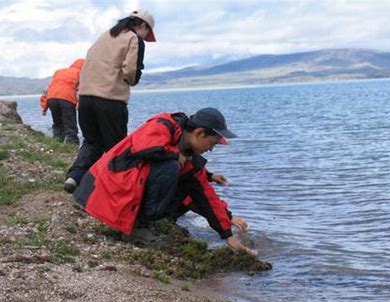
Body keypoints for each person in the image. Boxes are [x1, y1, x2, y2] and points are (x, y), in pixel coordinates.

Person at [73, 107, 257, 255]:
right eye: (213, 143)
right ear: (200, 133)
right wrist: (174, 154)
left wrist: (227, 235)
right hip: (102, 191)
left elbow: (205, 195)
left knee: (191, 187)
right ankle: (138, 229)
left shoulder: (189, 157)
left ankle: (142, 225)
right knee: (170, 167)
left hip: (119, 193)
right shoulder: (164, 124)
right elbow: (143, 147)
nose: (211, 149)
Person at [64, 9, 156, 193]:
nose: (145, 38)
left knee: (92, 142)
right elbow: (130, 71)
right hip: (110, 99)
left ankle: (74, 177)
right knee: (116, 147)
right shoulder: (133, 38)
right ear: (143, 26)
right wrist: (133, 79)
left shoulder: (105, 35)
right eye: (147, 34)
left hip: (86, 97)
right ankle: (118, 190)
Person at [40, 59, 85, 145]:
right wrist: (79, 104)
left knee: (57, 123)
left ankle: (57, 143)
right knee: (70, 124)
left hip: (51, 99)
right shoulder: (80, 73)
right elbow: (81, 90)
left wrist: (44, 106)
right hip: (67, 99)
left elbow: (49, 88)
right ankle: (72, 145)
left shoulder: (59, 72)